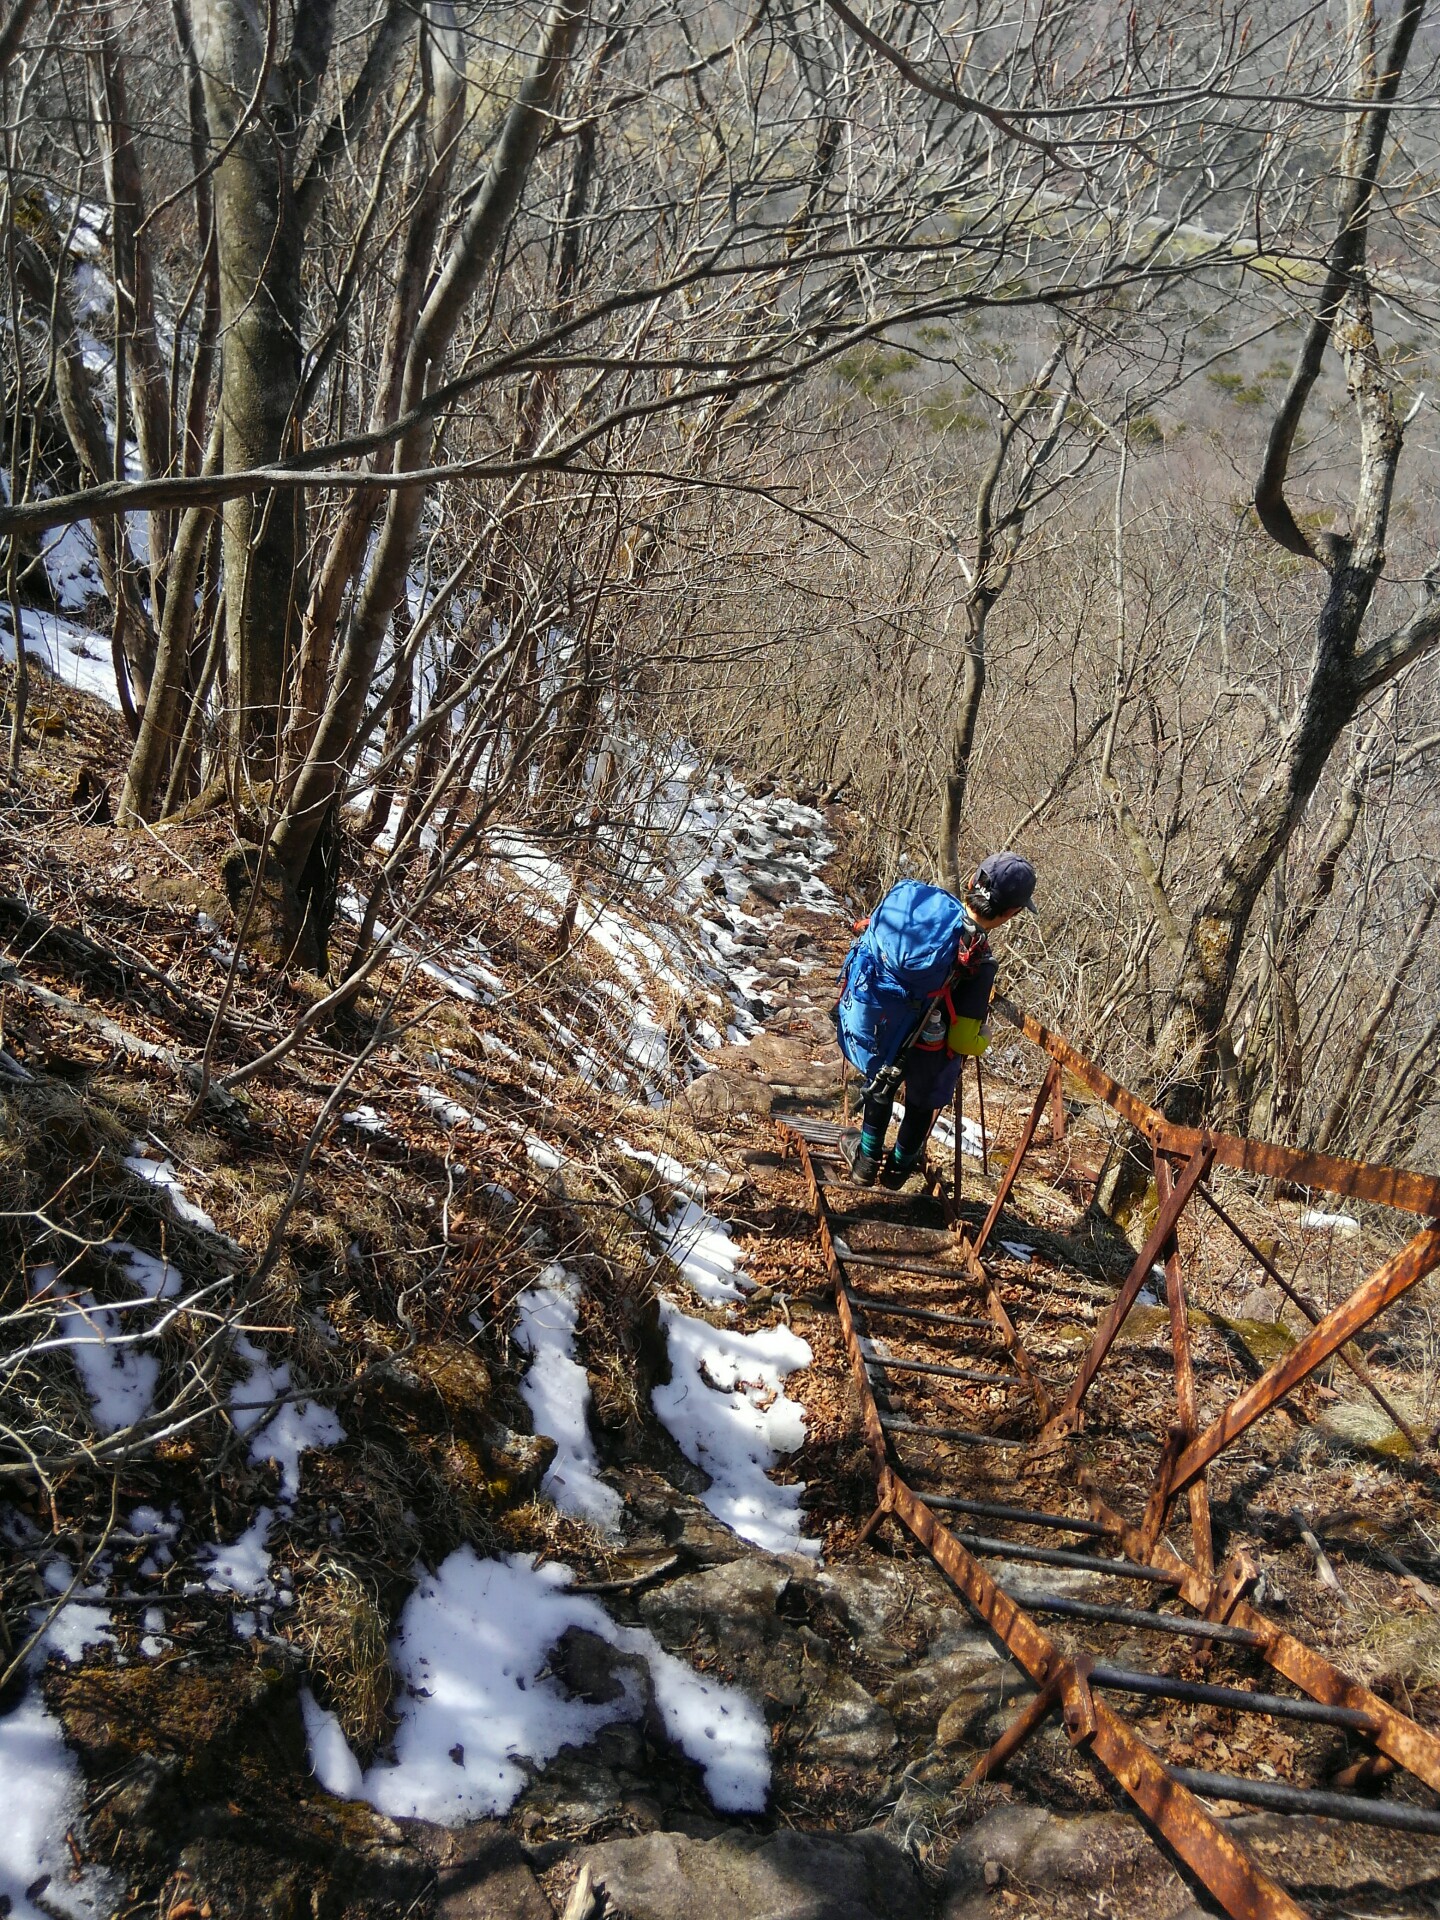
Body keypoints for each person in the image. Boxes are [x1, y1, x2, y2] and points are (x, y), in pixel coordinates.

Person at [837, 852, 1037, 1188]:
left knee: (881, 1084)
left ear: (972, 882)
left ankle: (866, 1161)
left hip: (886, 1027)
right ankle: (898, 1168)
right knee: (921, 1103)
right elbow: (962, 1039)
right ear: (1011, 913)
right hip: (930, 1050)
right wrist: (984, 1037)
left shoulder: (922, 909)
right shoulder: (980, 961)